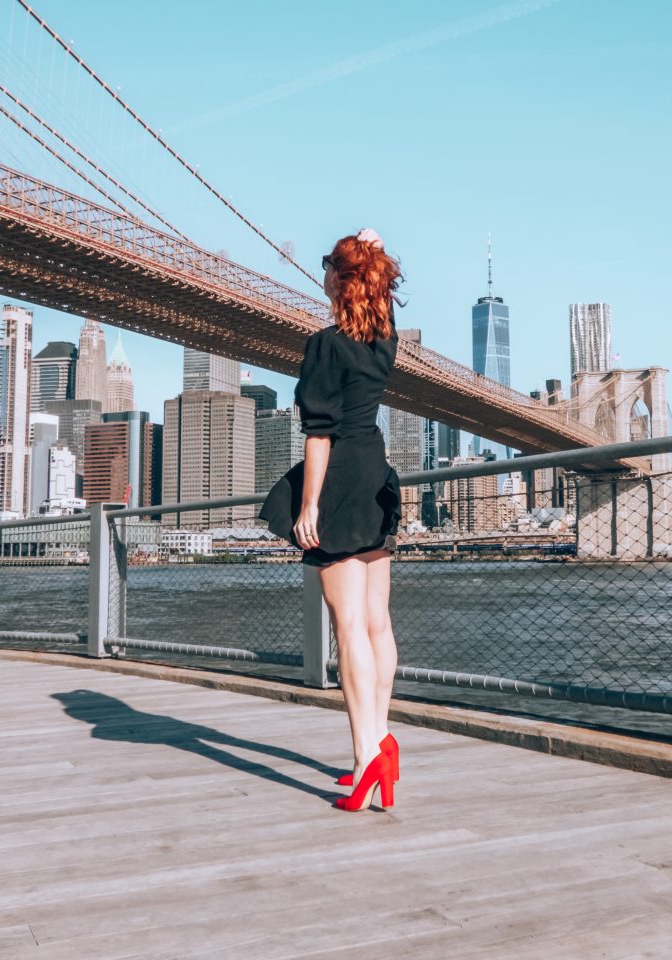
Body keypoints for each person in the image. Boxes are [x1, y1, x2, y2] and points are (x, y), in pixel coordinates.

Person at [260, 228, 404, 812]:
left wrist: (310, 503)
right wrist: (374, 246)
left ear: (337, 282)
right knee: (378, 624)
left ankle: (368, 756)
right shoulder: (383, 341)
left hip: (340, 476)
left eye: (326, 268)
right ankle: (379, 744)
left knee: (348, 627)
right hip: (375, 471)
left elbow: (318, 433)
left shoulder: (326, 345)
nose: (319, 274)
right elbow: (381, 297)